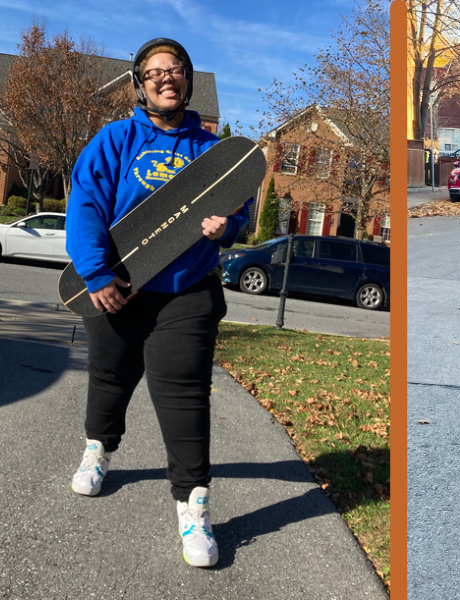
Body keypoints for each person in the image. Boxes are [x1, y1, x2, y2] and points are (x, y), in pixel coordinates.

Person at [66, 37, 253, 568]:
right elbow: (85, 207)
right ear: (139, 82)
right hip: (120, 285)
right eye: (154, 72)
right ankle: (99, 449)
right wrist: (96, 273)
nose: (166, 78)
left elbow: (236, 213)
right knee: (111, 375)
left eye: (175, 70)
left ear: (188, 79)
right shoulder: (114, 140)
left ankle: (193, 507)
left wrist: (227, 229)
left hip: (188, 290)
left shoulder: (209, 150)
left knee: (185, 395)